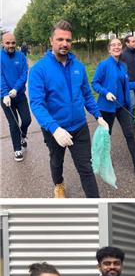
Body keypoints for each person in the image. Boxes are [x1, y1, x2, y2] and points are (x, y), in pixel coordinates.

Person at [28, 20, 108, 198]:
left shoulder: (78, 67)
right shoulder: (39, 70)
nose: (65, 44)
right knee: (56, 162)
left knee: (86, 169)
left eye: (68, 40)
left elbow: (87, 95)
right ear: (51, 41)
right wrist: (54, 129)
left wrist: (98, 115)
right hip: (54, 129)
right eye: (60, 39)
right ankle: (58, 184)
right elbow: (37, 103)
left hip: (79, 127)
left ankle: (96, 209)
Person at [92, 38, 135, 179]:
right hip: (107, 108)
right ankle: (103, 161)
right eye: (113, 45)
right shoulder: (104, 65)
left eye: (119, 44)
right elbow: (94, 83)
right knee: (107, 135)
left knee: (129, 134)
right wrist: (106, 93)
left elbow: (127, 86)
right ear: (109, 49)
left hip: (122, 106)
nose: (117, 47)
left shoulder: (122, 66)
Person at [2, 32, 32, 162]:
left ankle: (22, 135)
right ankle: (17, 149)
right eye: (8, 43)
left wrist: (16, 88)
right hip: (5, 98)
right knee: (13, 123)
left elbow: (24, 73)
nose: (11, 45)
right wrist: (4, 94)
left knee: (27, 120)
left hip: (19, 94)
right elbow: (0, 77)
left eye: (13, 43)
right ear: (3, 43)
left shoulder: (20, 56)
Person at [119, 35, 135, 113]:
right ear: (127, 43)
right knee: (132, 104)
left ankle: (131, 121)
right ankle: (129, 124)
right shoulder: (122, 55)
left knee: (133, 105)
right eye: (133, 41)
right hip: (127, 84)